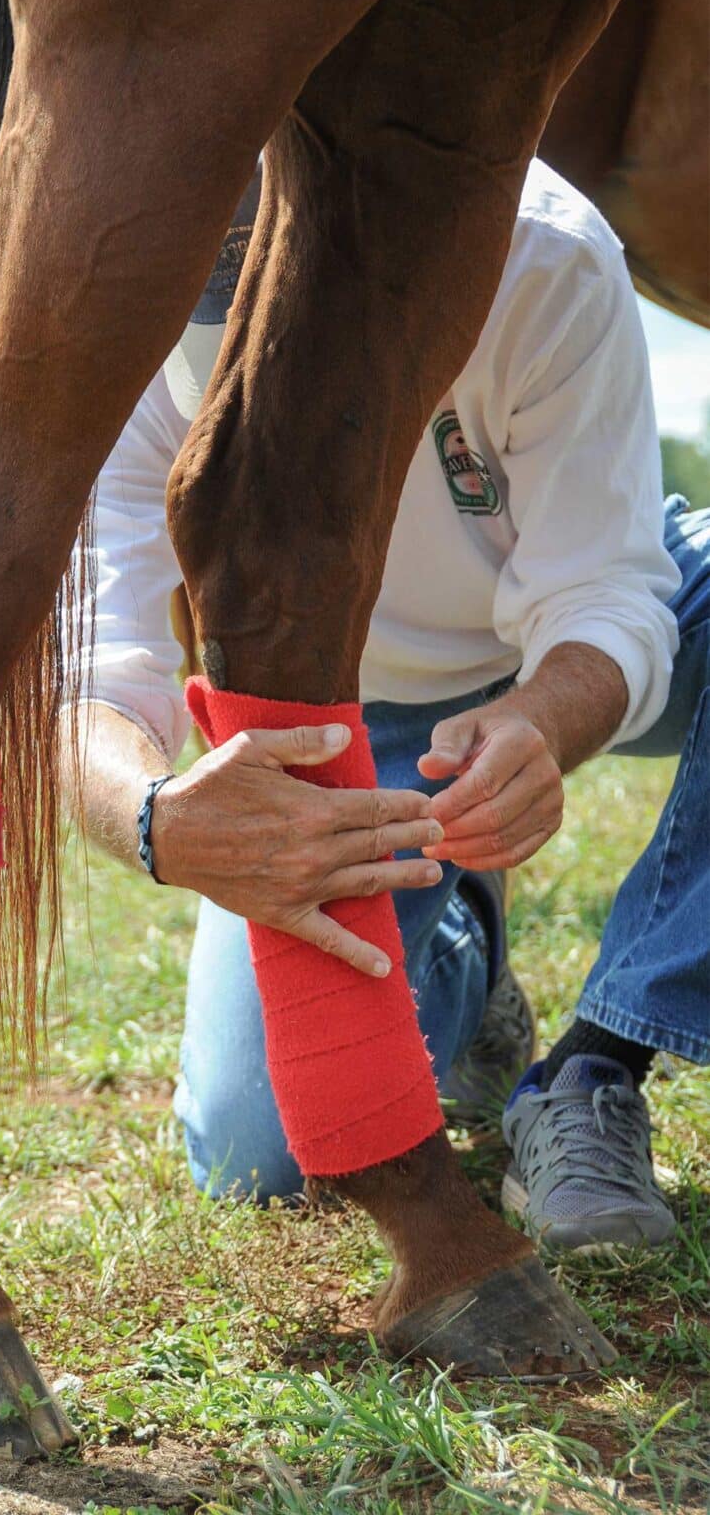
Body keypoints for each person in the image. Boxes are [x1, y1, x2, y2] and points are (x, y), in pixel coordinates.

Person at [64, 158, 709, 1252]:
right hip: (354, 706)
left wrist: (543, 718)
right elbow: (87, 663)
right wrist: (153, 818)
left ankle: (597, 1064)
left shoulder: (539, 245)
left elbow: (604, 587)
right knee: (254, 1155)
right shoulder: (116, 288)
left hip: (594, 627)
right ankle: (466, 945)